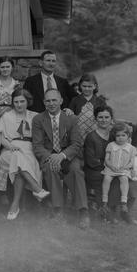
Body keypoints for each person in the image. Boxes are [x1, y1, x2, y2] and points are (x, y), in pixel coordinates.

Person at [31, 89, 90, 229]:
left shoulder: (71, 119)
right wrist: (52, 157)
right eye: (48, 101)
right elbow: (37, 145)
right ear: (44, 102)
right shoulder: (38, 119)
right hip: (49, 155)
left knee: (76, 171)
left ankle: (83, 211)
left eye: (54, 100)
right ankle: (58, 209)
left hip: (67, 155)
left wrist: (62, 156)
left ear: (61, 101)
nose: (51, 103)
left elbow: (76, 144)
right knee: (50, 169)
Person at [0, 89, 50, 220]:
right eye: (16, 102)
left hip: (29, 149)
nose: (19, 105)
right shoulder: (6, 116)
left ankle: (15, 205)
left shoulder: (36, 116)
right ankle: (36, 188)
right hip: (9, 150)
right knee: (17, 158)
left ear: (28, 102)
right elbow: (2, 138)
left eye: (22, 101)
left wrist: (68, 110)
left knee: (20, 167)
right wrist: (11, 147)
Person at [83, 105, 137, 224]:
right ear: (95, 119)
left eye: (106, 117)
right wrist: (111, 166)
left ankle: (125, 212)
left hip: (116, 168)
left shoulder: (115, 135)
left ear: (111, 118)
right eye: (100, 117)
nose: (103, 120)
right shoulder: (91, 137)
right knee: (110, 180)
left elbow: (126, 152)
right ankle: (107, 212)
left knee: (130, 187)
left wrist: (126, 167)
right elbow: (91, 160)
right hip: (96, 169)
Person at [100, 122, 137, 218]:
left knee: (124, 179)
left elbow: (131, 162)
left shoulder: (131, 148)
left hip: (123, 169)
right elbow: (106, 159)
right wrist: (111, 166)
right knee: (107, 179)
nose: (120, 137)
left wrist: (125, 167)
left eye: (123, 135)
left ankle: (124, 202)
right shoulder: (111, 145)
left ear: (128, 136)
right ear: (114, 136)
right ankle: (104, 201)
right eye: (118, 135)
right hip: (111, 168)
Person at [68, 73, 105, 141]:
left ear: (95, 86)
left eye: (89, 86)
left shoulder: (100, 101)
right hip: (79, 137)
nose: (87, 89)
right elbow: (70, 118)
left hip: (97, 136)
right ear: (80, 86)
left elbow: (106, 118)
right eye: (84, 86)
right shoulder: (75, 100)